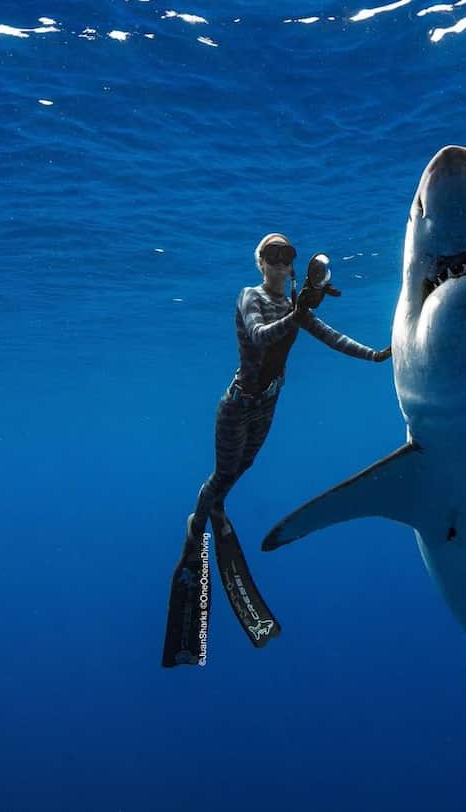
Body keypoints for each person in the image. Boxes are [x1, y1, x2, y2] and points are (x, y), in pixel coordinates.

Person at [162, 233, 390, 667]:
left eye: (287, 257)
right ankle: (196, 529)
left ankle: (215, 509)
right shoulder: (250, 297)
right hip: (237, 406)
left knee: (238, 473)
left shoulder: (294, 309)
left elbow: (331, 336)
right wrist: (300, 312)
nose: (281, 263)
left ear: (292, 267)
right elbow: (260, 335)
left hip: (267, 406)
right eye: (273, 255)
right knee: (223, 476)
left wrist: (377, 356)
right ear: (261, 262)